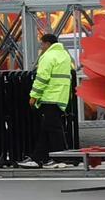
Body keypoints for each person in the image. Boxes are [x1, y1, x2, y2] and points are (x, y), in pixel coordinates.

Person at [19, 33, 75, 169]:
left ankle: (59, 158)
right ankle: (38, 158)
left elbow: (42, 78)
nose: (41, 47)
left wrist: (34, 96)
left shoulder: (48, 57)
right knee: (47, 128)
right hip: (60, 97)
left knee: (53, 129)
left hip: (49, 97)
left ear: (48, 44)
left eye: (42, 44)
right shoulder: (64, 56)